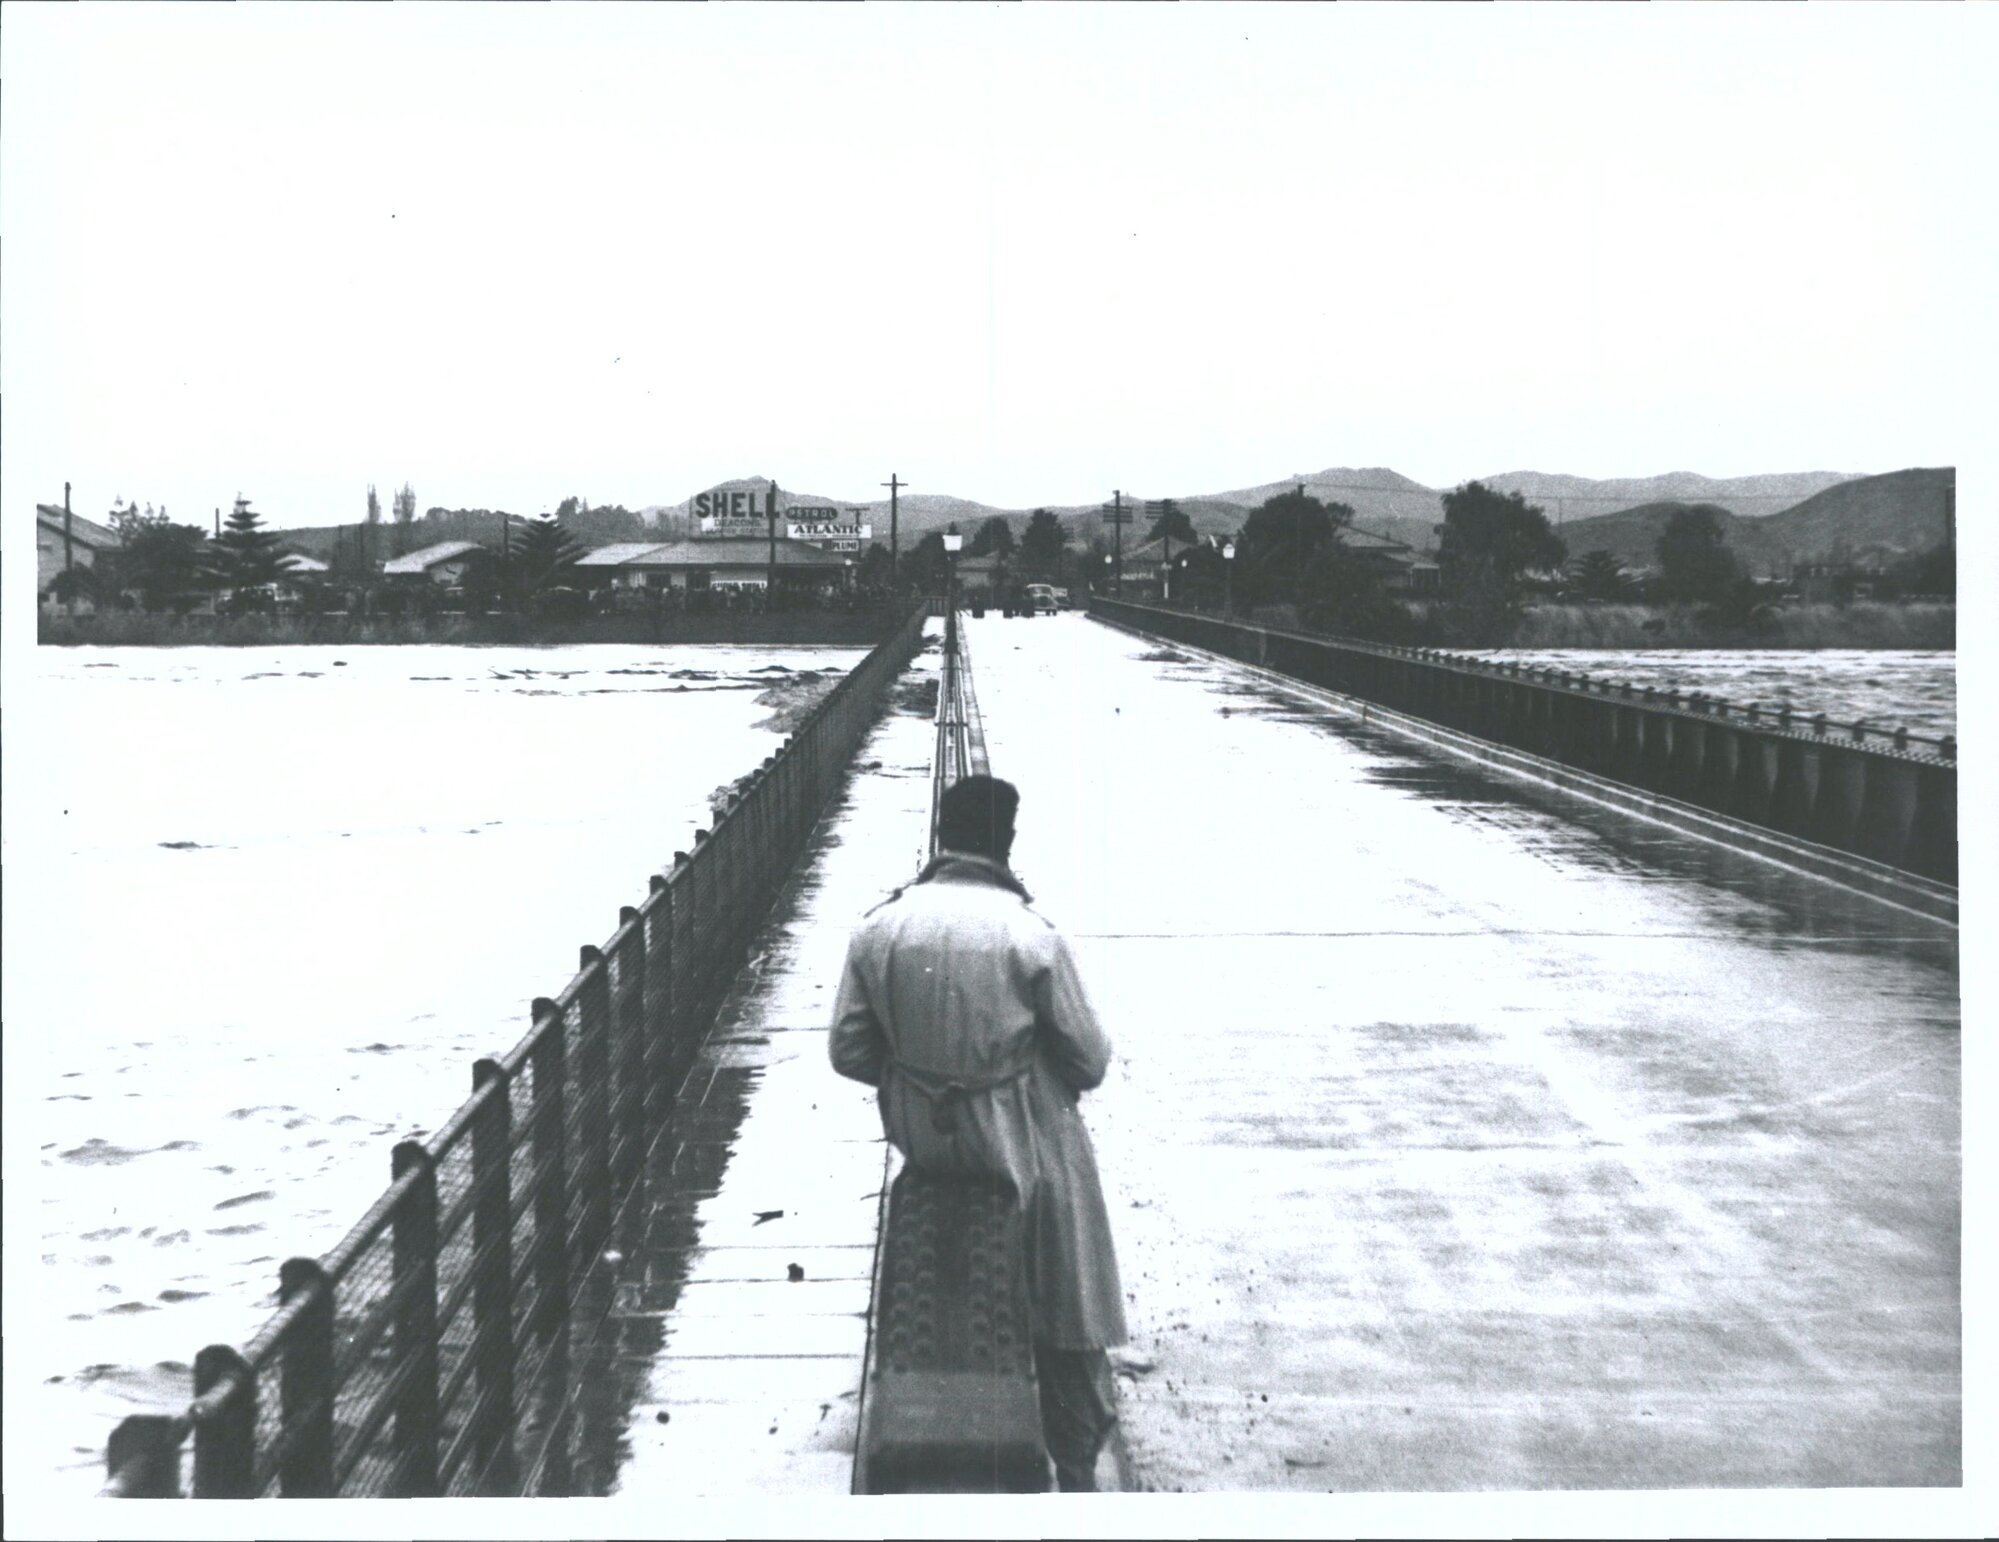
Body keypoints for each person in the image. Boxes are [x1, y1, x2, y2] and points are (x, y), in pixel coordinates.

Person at [829, 774, 1127, 1492]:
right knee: (1069, 1289)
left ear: (941, 835)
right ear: (1006, 841)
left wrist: (922, 1080)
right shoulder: (1032, 936)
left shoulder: (880, 928)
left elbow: (848, 1050)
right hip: (1021, 1145)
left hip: (927, 1145)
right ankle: (1076, 1461)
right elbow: (1087, 1060)